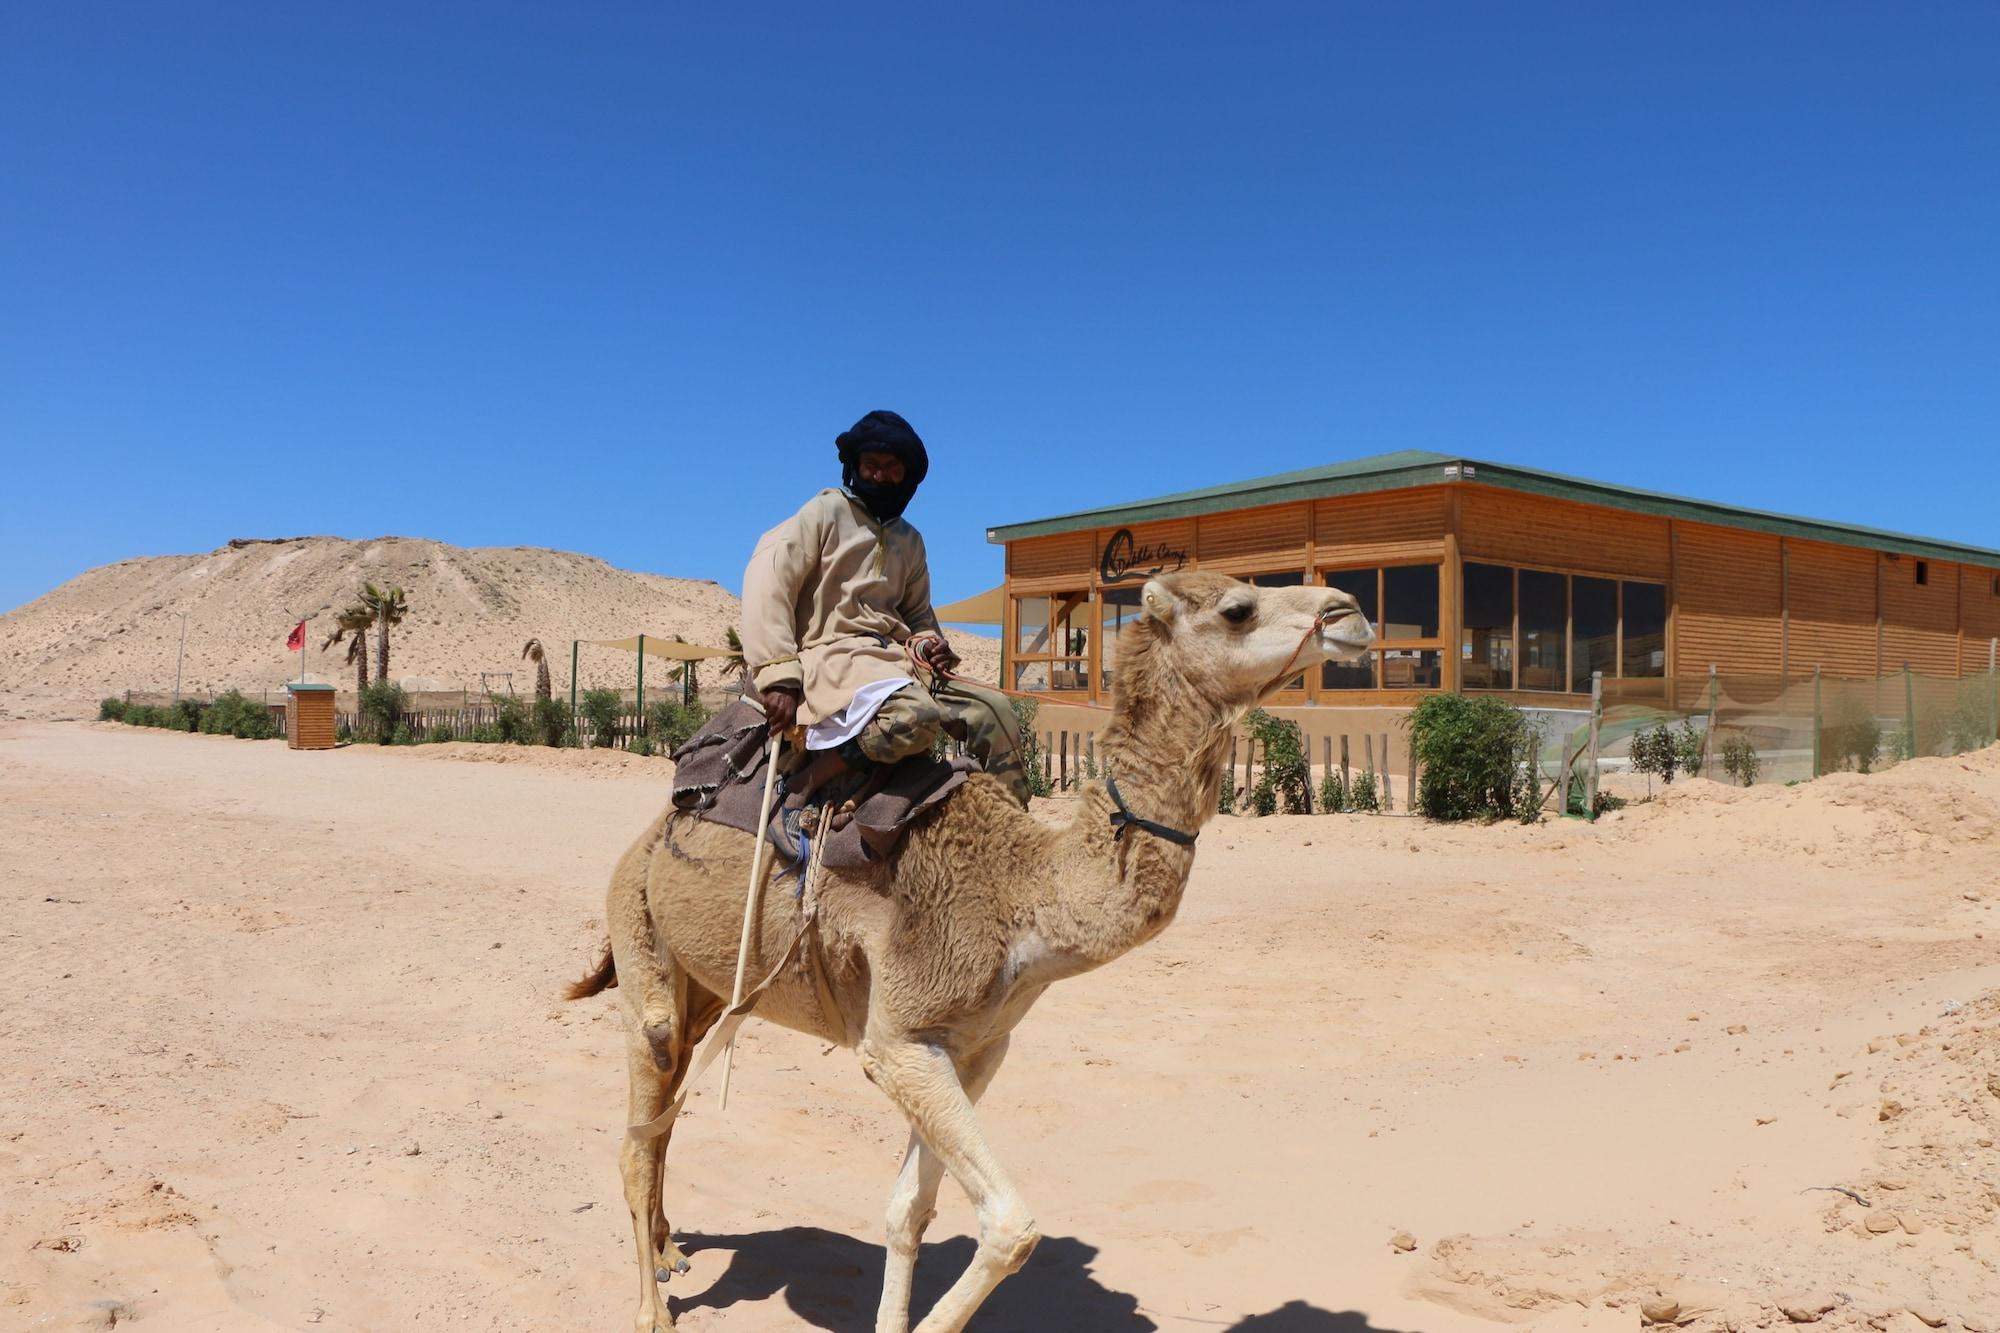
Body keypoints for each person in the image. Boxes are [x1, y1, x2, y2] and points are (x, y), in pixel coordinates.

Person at [739, 410, 1031, 808]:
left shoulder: (910, 541)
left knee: (994, 711)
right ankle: (812, 778)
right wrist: (779, 675)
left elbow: (918, 617)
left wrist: (930, 644)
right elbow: (771, 586)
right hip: (832, 659)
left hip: (897, 662)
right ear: (854, 467)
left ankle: (1010, 825)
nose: (878, 476)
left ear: (907, 477)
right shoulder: (825, 513)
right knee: (917, 717)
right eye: (870, 466)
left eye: (891, 469)